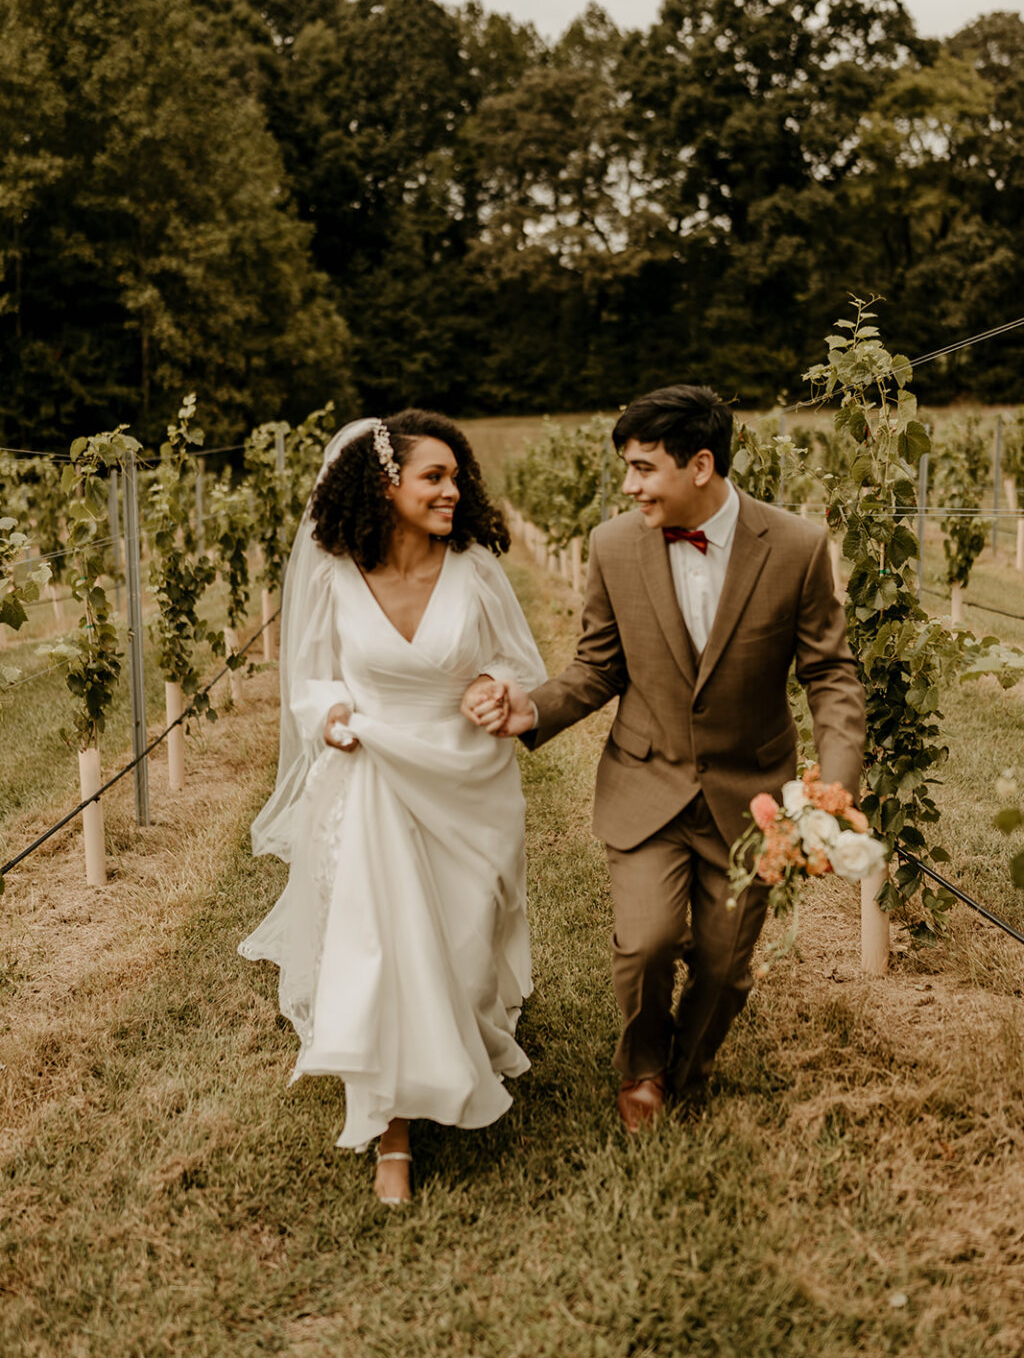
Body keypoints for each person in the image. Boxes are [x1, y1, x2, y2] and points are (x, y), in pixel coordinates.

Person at [463, 384, 865, 1133]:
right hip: (646, 781)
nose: (629, 485)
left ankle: (690, 1071)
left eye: (645, 468)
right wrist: (535, 708)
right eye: (628, 468)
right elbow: (598, 667)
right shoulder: (613, 547)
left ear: (701, 465)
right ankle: (642, 1071)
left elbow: (830, 674)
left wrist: (834, 789)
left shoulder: (799, 548)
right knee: (645, 942)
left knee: (723, 963)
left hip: (755, 797)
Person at [240, 410, 546, 1205]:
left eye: (455, 477)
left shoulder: (474, 566)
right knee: (383, 949)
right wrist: (332, 714)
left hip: (469, 778)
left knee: (464, 940)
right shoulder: (338, 573)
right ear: (386, 484)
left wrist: (493, 687)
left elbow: (520, 661)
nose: (453, 490)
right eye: (433, 477)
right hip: (371, 771)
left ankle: (462, 1043)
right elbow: (311, 680)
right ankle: (393, 1130)